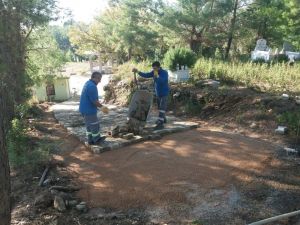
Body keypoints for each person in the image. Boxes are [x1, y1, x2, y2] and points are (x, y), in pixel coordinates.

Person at [132, 61, 169, 129]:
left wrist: (157, 76)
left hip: (164, 93)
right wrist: (137, 71)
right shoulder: (154, 72)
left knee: (162, 108)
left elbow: (162, 81)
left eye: (155, 68)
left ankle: (160, 124)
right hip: (158, 93)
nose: (154, 70)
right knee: (159, 107)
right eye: (153, 68)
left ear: (158, 67)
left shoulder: (164, 73)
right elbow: (146, 75)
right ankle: (163, 119)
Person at [79, 71, 108, 145]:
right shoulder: (92, 86)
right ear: (93, 77)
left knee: (89, 126)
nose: (99, 81)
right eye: (98, 78)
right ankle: (97, 140)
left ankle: (90, 140)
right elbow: (94, 101)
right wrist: (102, 107)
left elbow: (91, 98)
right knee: (94, 125)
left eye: (100, 78)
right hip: (89, 110)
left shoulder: (87, 83)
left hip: (83, 109)